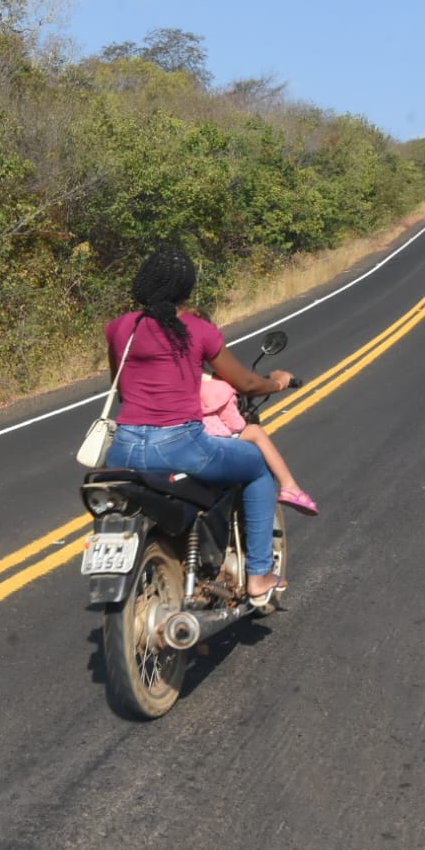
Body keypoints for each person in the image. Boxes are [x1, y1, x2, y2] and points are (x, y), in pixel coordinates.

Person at [103, 246, 296, 606]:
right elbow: (247, 384)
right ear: (187, 291)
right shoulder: (197, 330)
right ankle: (257, 575)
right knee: (256, 466)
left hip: (124, 447)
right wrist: (277, 383)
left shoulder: (119, 329)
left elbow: (121, 388)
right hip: (180, 444)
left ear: (142, 284)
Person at [200, 374, 319, 516]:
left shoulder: (180, 388)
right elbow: (235, 425)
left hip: (185, 443)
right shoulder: (219, 388)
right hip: (217, 441)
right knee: (255, 432)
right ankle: (290, 487)